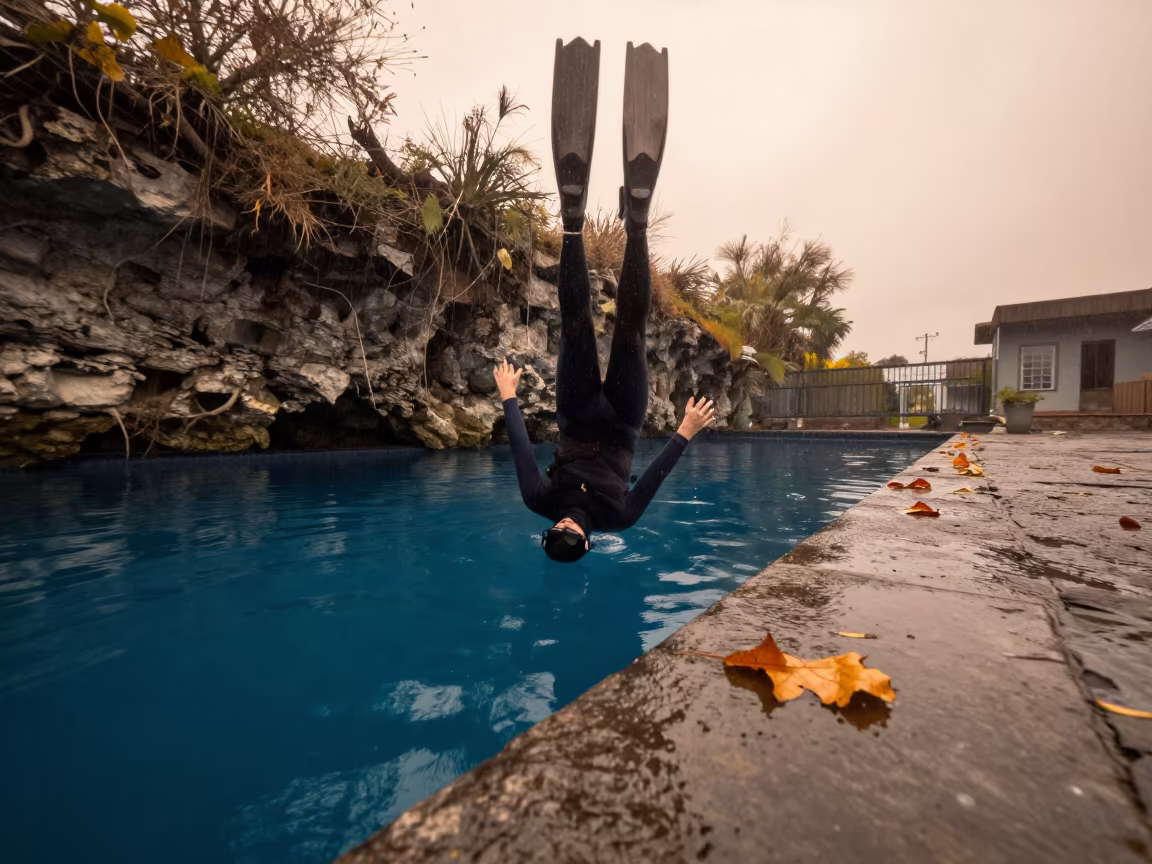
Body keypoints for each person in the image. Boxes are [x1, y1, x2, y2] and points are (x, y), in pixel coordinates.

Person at [493, 39, 714, 563]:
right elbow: (654, 477)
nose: (566, 524)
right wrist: (684, 431)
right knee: (633, 331)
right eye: (573, 536)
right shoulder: (622, 517)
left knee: (574, 326)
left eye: (557, 533)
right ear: (589, 542)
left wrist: (508, 397)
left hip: (574, 415)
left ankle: (573, 219)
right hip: (621, 424)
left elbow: (523, 451)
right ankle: (636, 223)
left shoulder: (538, 499)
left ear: (549, 534)